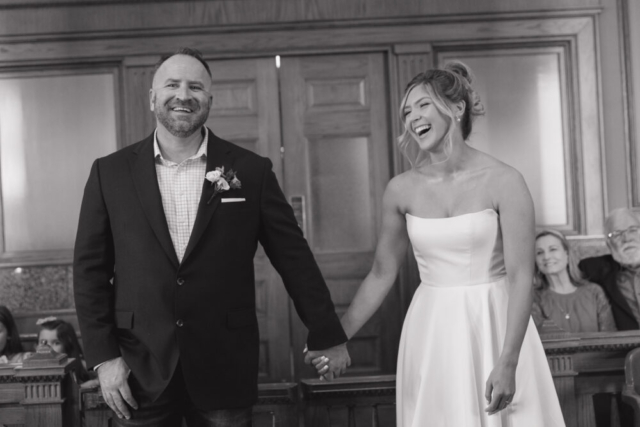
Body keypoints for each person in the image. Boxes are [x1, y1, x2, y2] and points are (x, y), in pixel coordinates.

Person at [73, 47, 349, 426]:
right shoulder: (110, 173)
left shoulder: (250, 170)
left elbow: (294, 257)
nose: (183, 95)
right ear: (153, 97)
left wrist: (327, 332)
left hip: (224, 364)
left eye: (195, 87)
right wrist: (104, 358)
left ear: (209, 100)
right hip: (139, 369)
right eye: (172, 84)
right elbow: (90, 271)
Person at [306, 62, 565, 426]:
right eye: (407, 112)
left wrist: (509, 360)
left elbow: (522, 276)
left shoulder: (505, 181)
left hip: (494, 322)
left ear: (456, 108)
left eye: (422, 105)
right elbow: (382, 273)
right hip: (432, 329)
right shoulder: (401, 189)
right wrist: (336, 337)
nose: (413, 118)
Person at [531, 229, 616, 333]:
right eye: (539, 253)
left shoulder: (594, 292)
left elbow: (610, 337)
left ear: (567, 253)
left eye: (553, 249)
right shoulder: (533, 298)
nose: (546, 257)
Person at [579, 208, 640, 331]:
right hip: (627, 347)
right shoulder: (593, 268)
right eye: (616, 234)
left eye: (633, 230)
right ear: (609, 244)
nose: (627, 238)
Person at [36, 316, 99, 387]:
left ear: (67, 345)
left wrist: (94, 382)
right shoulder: (32, 367)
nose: (48, 347)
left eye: (56, 343)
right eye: (43, 342)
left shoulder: (80, 365)